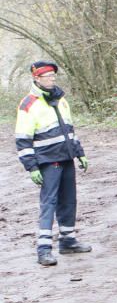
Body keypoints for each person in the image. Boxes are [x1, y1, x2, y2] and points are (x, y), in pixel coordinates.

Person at [15, 61, 91, 266]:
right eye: (48, 76)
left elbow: (70, 129)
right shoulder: (29, 104)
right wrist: (31, 166)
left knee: (69, 200)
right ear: (36, 78)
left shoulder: (61, 99)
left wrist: (79, 153)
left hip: (66, 157)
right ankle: (44, 249)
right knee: (48, 203)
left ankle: (68, 241)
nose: (52, 79)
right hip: (48, 161)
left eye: (53, 76)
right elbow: (22, 138)